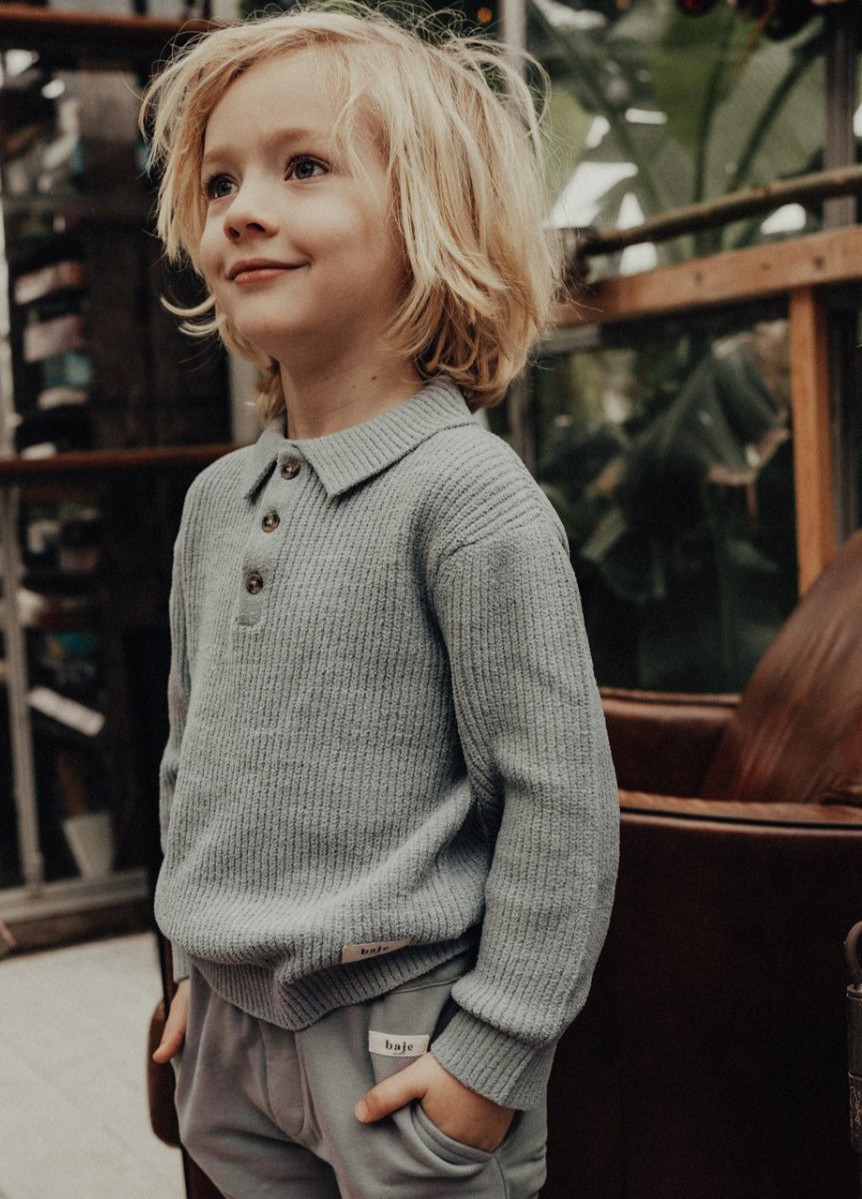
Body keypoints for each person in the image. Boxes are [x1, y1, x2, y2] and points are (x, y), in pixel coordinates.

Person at [144, 7, 619, 1197]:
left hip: (401, 1032)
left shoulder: (468, 497)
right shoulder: (214, 504)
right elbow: (190, 757)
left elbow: (559, 801)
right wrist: (192, 971)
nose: (243, 207)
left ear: (431, 220)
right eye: (219, 182)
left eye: (303, 167)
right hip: (226, 1031)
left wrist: (495, 1049)